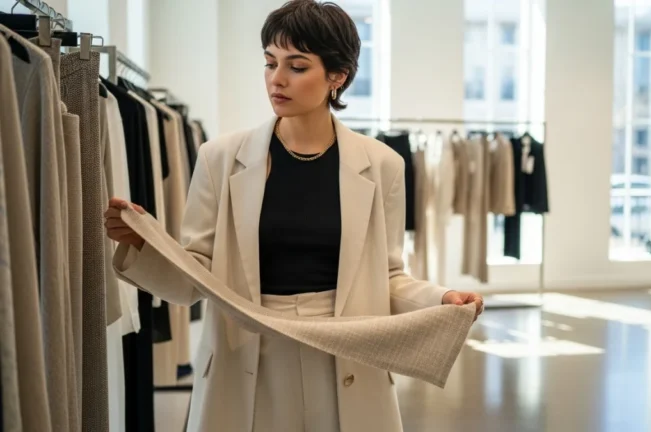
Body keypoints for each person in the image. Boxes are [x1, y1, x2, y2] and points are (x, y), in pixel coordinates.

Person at [104, 1, 484, 431]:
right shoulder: (219, 158)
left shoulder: (383, 165)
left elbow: (388, 277)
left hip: (345, 355)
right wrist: (144, 246)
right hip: (248, 355)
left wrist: (440, 299)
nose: (277, 79)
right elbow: (195, 279)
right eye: (270, 63)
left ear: (338, 76)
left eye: (297, 66)